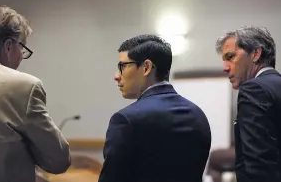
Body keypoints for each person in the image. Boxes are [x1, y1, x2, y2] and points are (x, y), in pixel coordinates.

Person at [0, 6, 71, 182]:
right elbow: (58, 160)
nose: (21, 57)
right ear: (8, 46)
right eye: (22, 49)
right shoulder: (24, 86)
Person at [98, 34, 211, 182]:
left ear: (146, 67)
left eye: (123, 66)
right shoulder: (198, 115)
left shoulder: (126, 120)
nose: (116, 76)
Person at [215, 26, 281, 182]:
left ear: (256, 54)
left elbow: (259, 164)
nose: (225, 68)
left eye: (230, 57)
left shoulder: (253, 89)